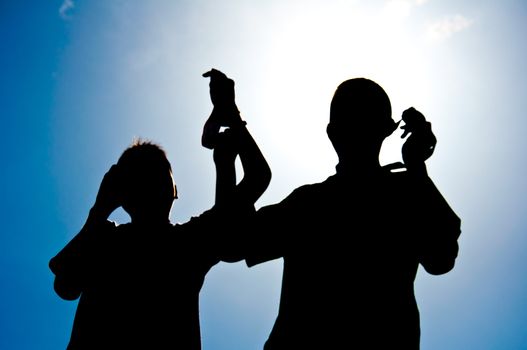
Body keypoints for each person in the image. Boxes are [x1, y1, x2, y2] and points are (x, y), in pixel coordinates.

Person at [49, 69, 271, 349]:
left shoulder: (185, 241)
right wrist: (231, 118)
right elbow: (65, 285)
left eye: (158, 174)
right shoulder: (176, 242)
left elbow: (255, 181)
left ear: (173, 191)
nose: (152, 183)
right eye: (143, 176)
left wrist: (229, 130)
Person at [245, 78, 461, 349]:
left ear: (331, 132)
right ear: (387, 129)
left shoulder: (309, 203)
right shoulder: (403, 193)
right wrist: (417, 169)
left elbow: (441, 258)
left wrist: (235, 143)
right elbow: (441, 258)